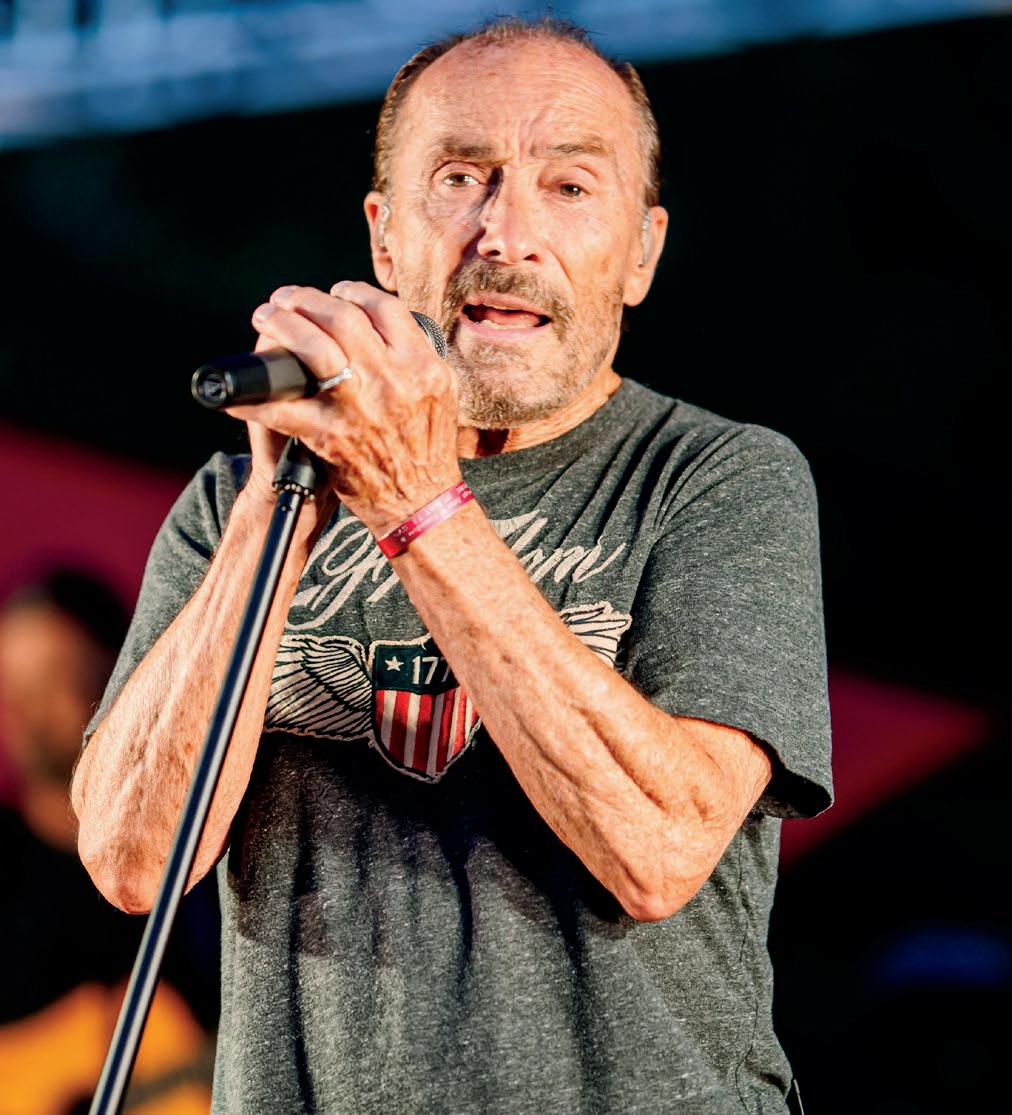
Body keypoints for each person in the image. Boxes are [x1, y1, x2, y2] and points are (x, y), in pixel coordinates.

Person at [72, 16, 832, 1114]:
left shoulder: (717, 478)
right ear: (384, 240)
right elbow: (134, 860)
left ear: (641, 253)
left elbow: (659, 848)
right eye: (462, 177)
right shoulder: (238, 504)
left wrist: (412, 499)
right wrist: (270, 515)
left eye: (569, 186)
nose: (506, 232)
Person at [0, 568, 214, 1115]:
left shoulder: (198, 852)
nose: (27, 710)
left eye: (53, 677)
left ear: (117, 674)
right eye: (12, 686)